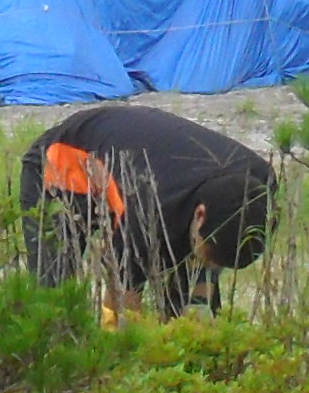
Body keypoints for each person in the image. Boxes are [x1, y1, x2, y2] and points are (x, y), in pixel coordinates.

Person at [20, 103, 277, 315]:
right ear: (199, 216)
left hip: (140, 163)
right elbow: (121, 307)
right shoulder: (148, 212)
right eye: (209, 257)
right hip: (60, 163)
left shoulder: (259, 184)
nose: (209, 265)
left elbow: (205, 265)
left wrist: (198, 312)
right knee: (53, 298)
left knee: (186, 309)